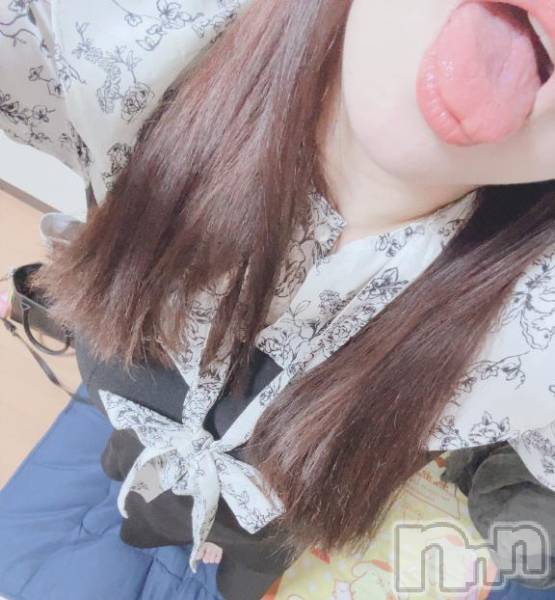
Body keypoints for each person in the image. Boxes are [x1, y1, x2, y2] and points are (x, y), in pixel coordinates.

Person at [2, 0, 555, 598]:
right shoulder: (137, 64)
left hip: (258, 540)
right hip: (134, 461)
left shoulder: (531, 342)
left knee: (244, 570)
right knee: (125, 472)